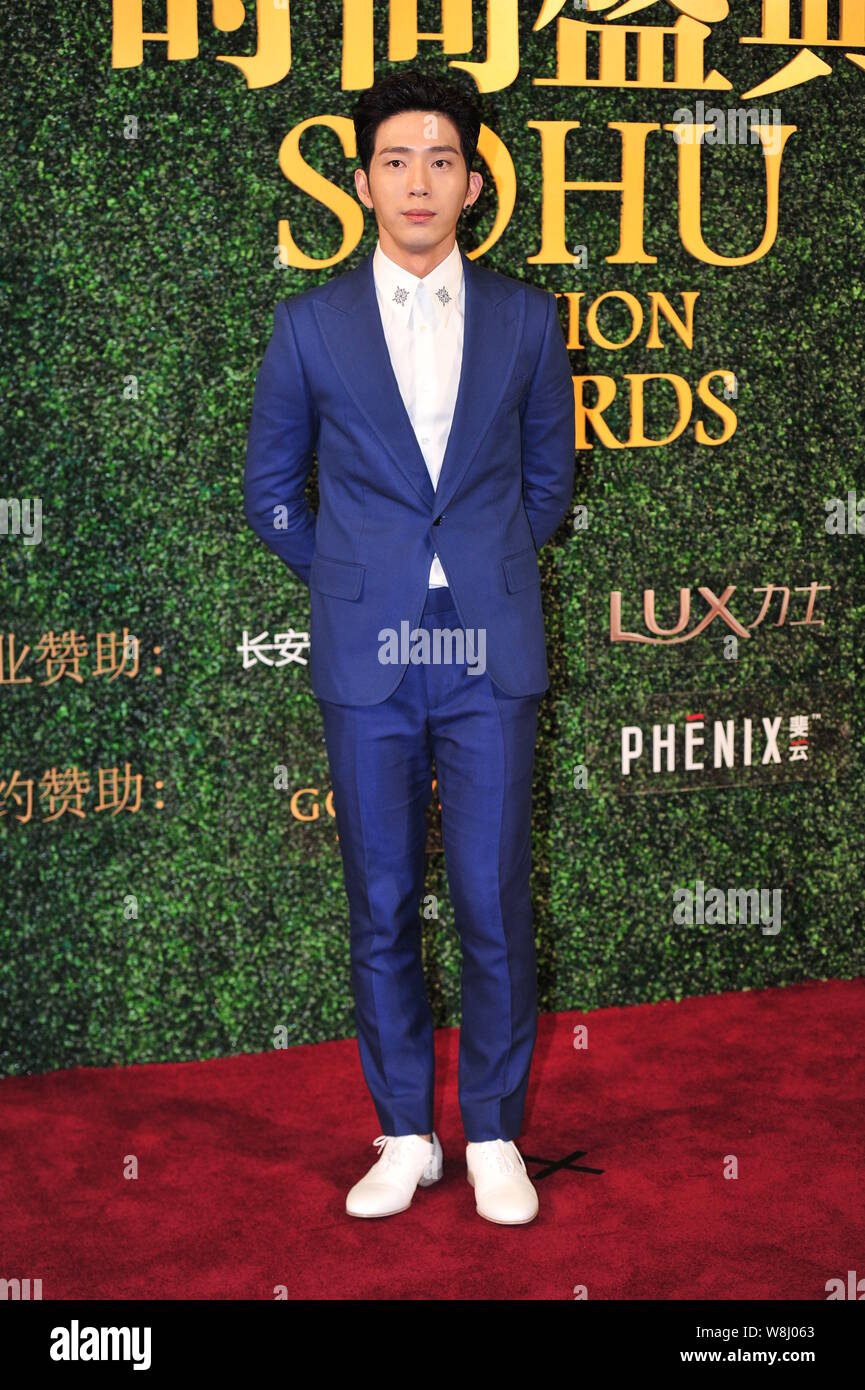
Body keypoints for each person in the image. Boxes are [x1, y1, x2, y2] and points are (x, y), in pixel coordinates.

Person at [244, 67, 575, 1225]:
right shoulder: (308, 326)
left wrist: (471, 566)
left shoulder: (531, 320)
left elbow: (548, 486)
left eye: (441, 160)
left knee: (490, 897)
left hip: (487, 647)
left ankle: (490, 1132)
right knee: (380, 897)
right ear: (363, 182)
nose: (418, 180)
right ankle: (401, 1130)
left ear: (474, 184)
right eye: (396, 160)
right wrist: (355, 576)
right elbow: (270, 492)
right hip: (365, 650)